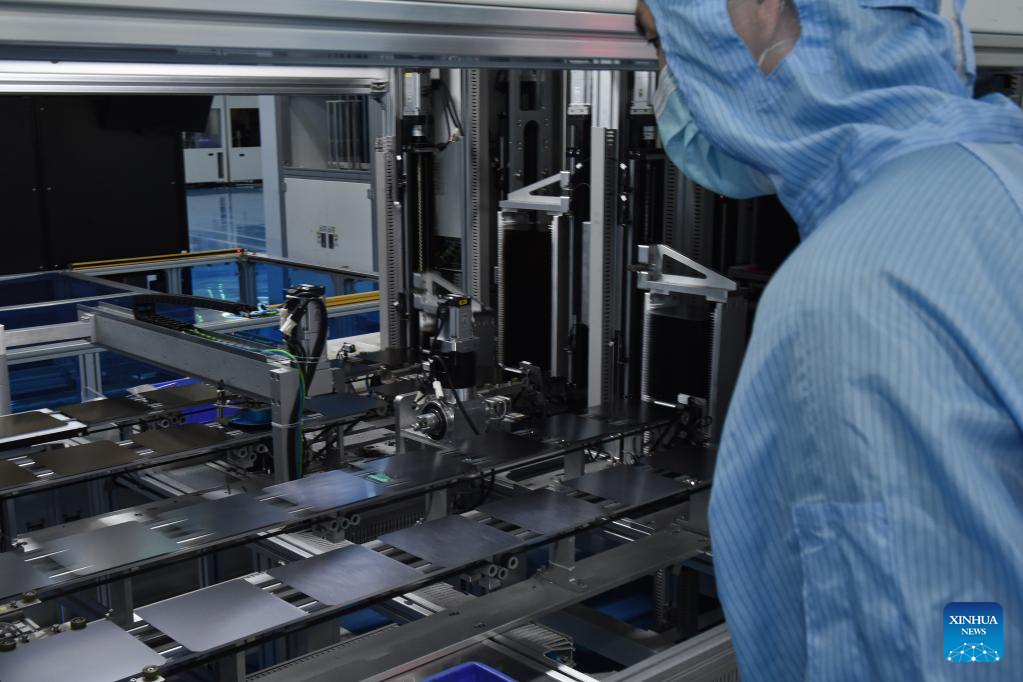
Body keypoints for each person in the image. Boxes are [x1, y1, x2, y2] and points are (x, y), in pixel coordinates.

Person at [636, 0, 1023, 679]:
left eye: (663, 41)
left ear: (760, 13)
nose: (668, 75)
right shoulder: (998, 178)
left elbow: (944, 632)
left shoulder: (854, 292)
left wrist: (970, 645)